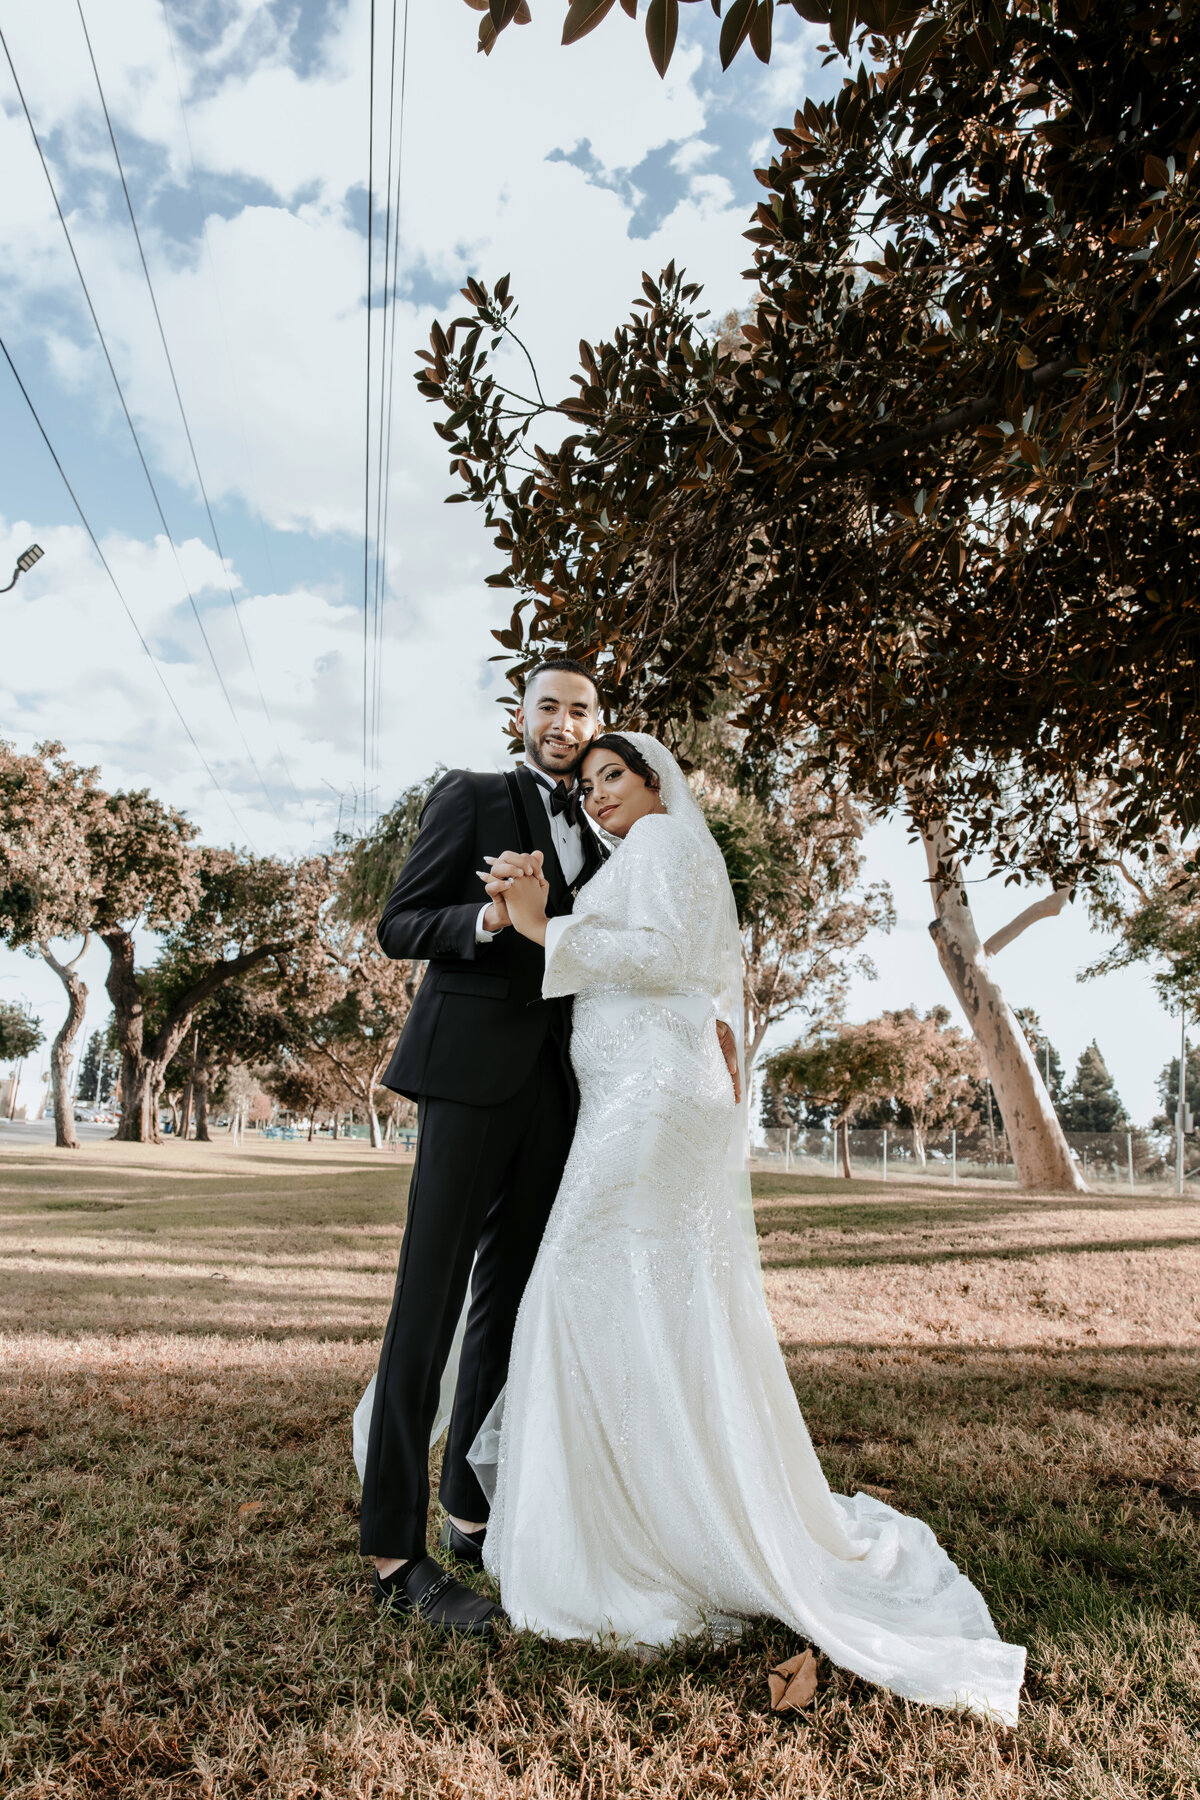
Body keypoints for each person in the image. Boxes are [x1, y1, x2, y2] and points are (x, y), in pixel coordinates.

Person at [475, 732, 1026, 1722]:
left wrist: (541, 929)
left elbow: (674, 959)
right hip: (633, 1096)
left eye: (613, 777)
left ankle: (624, 1538)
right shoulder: (637, 860)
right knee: (631, 1298)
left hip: (648, 1103)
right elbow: (694, 976)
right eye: (587, 784)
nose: (597, 796)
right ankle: (649, 1510)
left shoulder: (665, 845)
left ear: (654, 782)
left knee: (574, 1285)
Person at [357, 659, 606, 1633]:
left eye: (580, 709)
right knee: (427, 1302)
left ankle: (468, 1510)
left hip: (559, 1086)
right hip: (466, 1074)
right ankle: (392, 1553)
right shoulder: (471, 796)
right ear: (520, 716)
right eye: (547, 704)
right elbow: (398, 925)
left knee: (506, 1305)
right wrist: (491, 915)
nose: (563, 721)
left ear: (596, 725)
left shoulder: (607, 826)